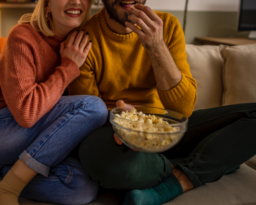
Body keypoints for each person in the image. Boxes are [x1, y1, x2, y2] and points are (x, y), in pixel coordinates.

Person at [68, 0, 256, 204]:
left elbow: (183, 109)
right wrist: (125, 121)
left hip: (166, 127)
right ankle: (213, 160)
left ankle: (179, 180)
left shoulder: (168, 26)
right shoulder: (83, 39)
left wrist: (155, 45)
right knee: (95, 155)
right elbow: (87, 114)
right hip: (116, 136)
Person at [0, 0, 109, 205]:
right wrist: (68, 67)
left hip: (42, 142)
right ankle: (8, 189)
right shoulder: (23, 36)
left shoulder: (85, 44)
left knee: (82, 188)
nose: (76, 1)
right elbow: (26, 113)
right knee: (93, 107)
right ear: (46, 5)